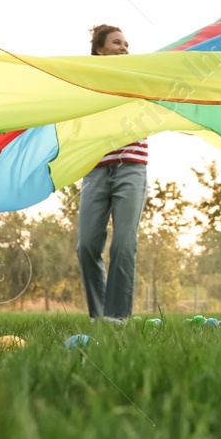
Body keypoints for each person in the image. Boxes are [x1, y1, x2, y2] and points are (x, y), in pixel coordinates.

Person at [75, 24, 147, 321]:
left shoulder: (140, 78)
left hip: (131, 168)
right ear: (99, 50)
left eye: (126, 44)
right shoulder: (86, 84)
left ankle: (117, 319)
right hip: (95, 171)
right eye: (117, 43)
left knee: (123, 244)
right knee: (87, 246)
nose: (124, 48)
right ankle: (99, 314)